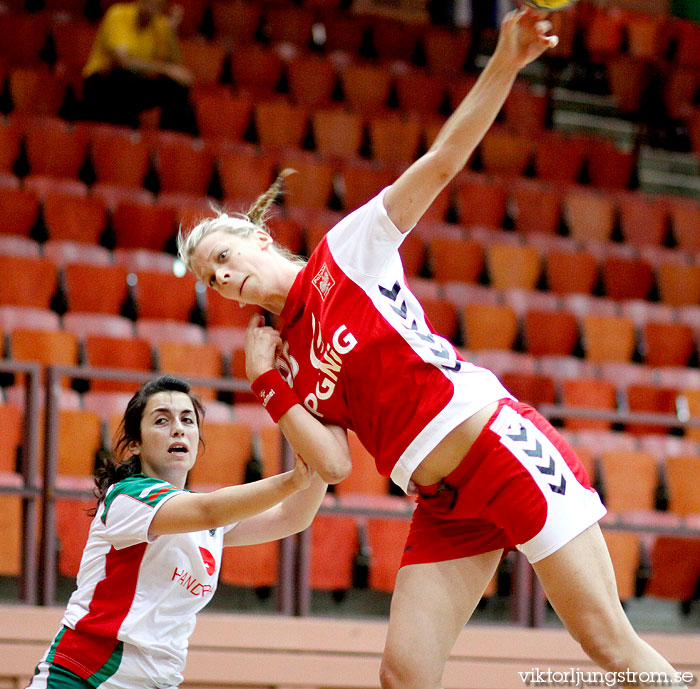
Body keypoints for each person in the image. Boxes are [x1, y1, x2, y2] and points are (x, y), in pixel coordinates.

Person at [178, 9, 688, 689]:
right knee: (404, 674)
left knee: (609, 644)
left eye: (223, 254)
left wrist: (505, 62)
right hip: (441, 501)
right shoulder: (286, 360)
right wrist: (267, 383)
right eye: (212, 278)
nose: (222, 275)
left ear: (258, 238)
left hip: (496, 448)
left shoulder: (347, 252)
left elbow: (442, 161)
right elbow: (328, 465)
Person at [26, 374, 334, 688]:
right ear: (135, 443)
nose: (178, 428)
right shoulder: (127, 496)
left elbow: (292, 516)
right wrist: (294, 480)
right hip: (83, 675)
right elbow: (209, 511)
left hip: (157, 681)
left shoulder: (205, 517)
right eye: (161, 420)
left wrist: (327, 441)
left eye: (187, 420)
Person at [81, 0, 197, 133]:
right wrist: (165, 69)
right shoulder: (118, 14)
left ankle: (169, 144)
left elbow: (176, 68)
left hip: (134, 86)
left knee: (177, 87)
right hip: (102, 84)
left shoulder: (159, 25)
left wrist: (172, 32)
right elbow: (123, 61)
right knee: (124, 76)